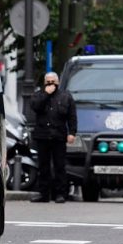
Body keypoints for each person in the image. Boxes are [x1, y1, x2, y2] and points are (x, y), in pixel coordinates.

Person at [29, 72, 77, 204]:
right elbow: (35, 106)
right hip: (42, 135)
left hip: (59, 136)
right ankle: (44, 194)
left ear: (57, 82)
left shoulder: (66, 96)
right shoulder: (39, 95)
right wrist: (46, 94)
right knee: (43, 166)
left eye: (53, 82)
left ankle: (60, 194)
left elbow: (72, 116)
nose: (50, 84)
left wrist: (72, 132)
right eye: (48, 82)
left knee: (59, 166)